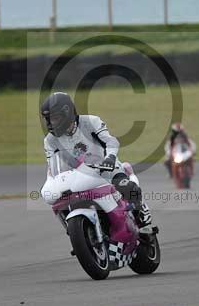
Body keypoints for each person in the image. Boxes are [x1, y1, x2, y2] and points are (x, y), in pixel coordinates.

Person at [40, 92, 154, 233]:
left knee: (126, 186)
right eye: (48, 119)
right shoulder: (50, 140)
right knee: (61, 200)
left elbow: (111, 141)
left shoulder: (90, 122)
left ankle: (141, 216)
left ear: (67, 113)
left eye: (55, 118)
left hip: (106, 169)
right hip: (78, 177)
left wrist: (110, 158)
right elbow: (52, 165)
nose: (51, 123)